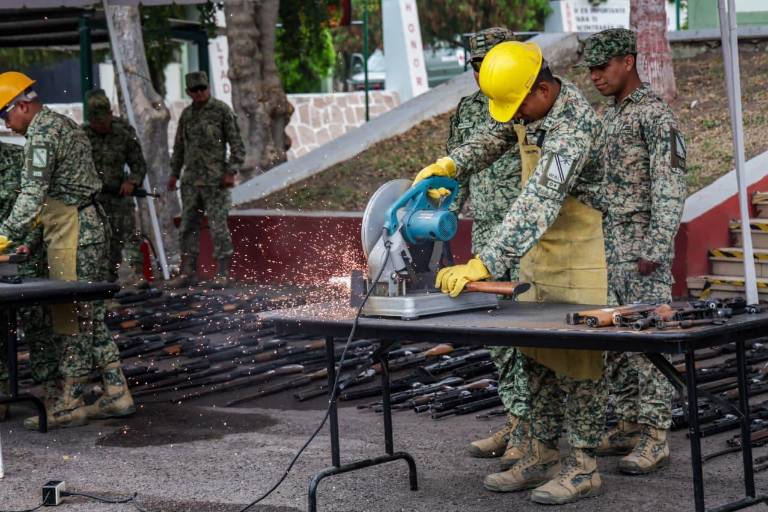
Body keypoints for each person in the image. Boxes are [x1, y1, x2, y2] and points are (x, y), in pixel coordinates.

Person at [421, 41, 608, 504]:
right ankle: (540, 454)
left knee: (578, 367)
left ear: (543, 89)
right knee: (535, 360)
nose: (514, 117)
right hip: (536, 259)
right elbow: (494, 136)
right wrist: (451, 164)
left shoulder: (573, 128)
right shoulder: (530, 109)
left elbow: (539, 200)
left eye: (517, 106)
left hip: (578, 261)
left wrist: (485, 260)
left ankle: (583, 467)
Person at [0, 72, 134, 429]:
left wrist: (3, 237)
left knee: (71, 316)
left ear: (22, 106)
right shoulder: (59, 124)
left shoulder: (42, 133)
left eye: (4, 115)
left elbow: (32, 193)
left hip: (75, 230)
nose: (6, 124)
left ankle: (70, 400)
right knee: (87, 312)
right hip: (73, 224)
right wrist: (33, 235)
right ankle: (117, 392)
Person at [584, 28, 686, 474]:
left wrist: (657, 245)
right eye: (589, 69)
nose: (595, 77)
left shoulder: (654, 116)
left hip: (641, 247)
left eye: (602, 67)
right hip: (609, 248)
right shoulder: (608, 117)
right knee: (617, 344)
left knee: (648, 344)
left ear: (627, 62)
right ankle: (626, 424)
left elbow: (670, 184)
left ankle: (654, 435)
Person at [448, 27, 532, 470]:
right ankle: (516, 421)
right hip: (485, 237)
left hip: (525, 236)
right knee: (499, 338)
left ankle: (536, 432)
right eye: (476, 65)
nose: (481, 73)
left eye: (488, 63)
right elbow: (456, 171)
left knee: (532, 336)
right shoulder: (467, 110)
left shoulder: (527, 102)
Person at [167, 71, 245, 288]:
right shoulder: (186, 115)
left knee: (218, 226)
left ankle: (222, 273)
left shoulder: (221, 111)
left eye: (203, 88)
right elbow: (180, 147)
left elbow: (237, 144)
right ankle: (188, 272)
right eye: (195, 90)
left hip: (215, 181)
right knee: (187, 227)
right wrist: (174, 174)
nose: (200, 93)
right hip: (191, 181)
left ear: (208, 88)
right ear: (188, 92)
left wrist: (231, 171)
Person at [83, 89, 148, 286]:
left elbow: (139, 163)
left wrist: (133, 182)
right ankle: (106, 284)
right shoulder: (82, 135)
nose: (101, 127)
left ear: (111, 115)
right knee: (103, 244)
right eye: (97, 123)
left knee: (129, 236)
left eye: (104, 122)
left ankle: (138, 276)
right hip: (94, 201)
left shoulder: (123, 132)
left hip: (120, 195)